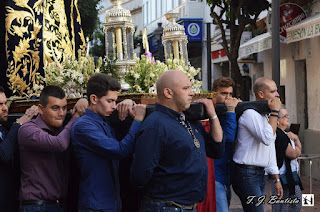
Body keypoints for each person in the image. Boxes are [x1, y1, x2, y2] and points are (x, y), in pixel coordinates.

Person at [130, 70, 224, 211]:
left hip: (188, 207)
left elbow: (216, 150)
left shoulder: (188, 120)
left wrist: (212, 115)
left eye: (191, 88)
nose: (192, 93)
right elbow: (140, 175)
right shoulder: (155, 125)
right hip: (166, 207)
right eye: (186, 88)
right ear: (168, 93)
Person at [71, 73, 146, 212]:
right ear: (94, 99)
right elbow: (120, 150)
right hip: (95, 205)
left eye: (115, 101)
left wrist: (130, 101)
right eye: (109, 101)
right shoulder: (84, 126)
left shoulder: (103, 120)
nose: (114, 106)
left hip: (111, 203)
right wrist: (138, 120)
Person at [18, 85, 86, 212]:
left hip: (58, 205)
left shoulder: (61, 130)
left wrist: (83, 100)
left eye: (64, 108)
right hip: (36, 206)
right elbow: (59, 144)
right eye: (55, 108)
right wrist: (75, 117)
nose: (61, 114)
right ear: (40, 109)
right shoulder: (28, 130)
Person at [232, 77, 283, 212]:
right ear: (261, 94)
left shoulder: (265, 116)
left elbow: (270, 147)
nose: (277, 95)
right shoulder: (250, 114)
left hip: (259, 173)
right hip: (247, 173)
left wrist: (276, 178)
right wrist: (275, 112)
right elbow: (267, 138)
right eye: (273, 91)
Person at [0, 86, 38, 212]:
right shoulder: (11, 129)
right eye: (0, 104)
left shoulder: (3, 130)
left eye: (5, 103)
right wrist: (18, 124)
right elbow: (3, 155)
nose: (5, 108)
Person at [212, 77, 241, 212]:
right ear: (214, 94)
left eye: (230, 94)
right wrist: (231, 111)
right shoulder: (210, 113)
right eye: (223, 94)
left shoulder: (228, 112)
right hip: (215, 174)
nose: (228, 98)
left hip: (227, 174)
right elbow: (227, 137)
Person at [269, 108, 303, 212]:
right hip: (280, 174)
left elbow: (296, 151)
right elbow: (293, 154)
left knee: (295, 201)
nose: (288, 117)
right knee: (281, 205)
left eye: (288, 115)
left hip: (289, 174)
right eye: (285, 116)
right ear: (277, 120)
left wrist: (296, 139)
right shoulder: (279, 135)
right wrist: (296, 144)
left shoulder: (285, 133)